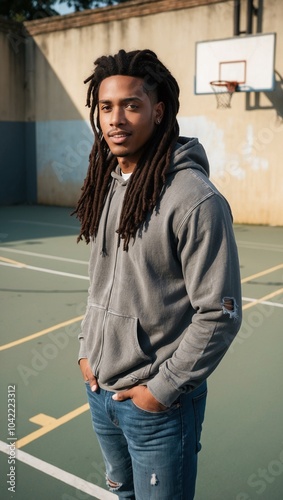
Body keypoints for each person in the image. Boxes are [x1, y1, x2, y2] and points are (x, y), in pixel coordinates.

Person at [73, 49, 242, 499]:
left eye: (131, 105)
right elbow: (100, 283)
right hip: (101, 391)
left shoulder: (195, 199)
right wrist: (86, 349)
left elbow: (219, 313)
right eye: (106, 107)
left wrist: (160, 390)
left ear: (158, 110)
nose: (116, 119)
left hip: (158, 409)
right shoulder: (110, 181)